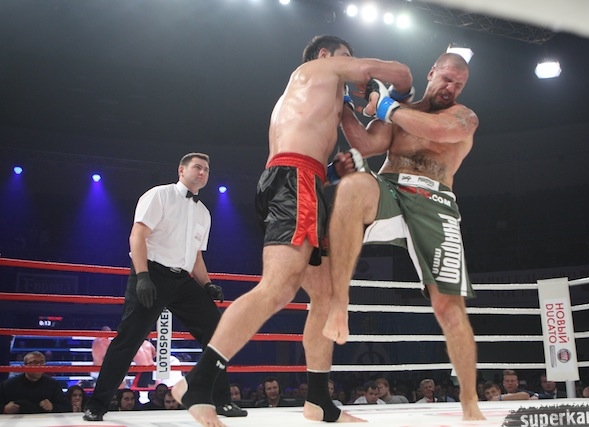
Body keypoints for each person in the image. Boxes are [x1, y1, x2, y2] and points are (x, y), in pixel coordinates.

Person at [172, 35, 412, 426]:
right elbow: (398, 72)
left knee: (326, 294)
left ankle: (318, 400)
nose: (350, 63)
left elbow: (366, 145)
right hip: (295, 178)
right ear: (326, 55)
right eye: (346, 57)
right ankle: (197, 384)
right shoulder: (317, 68)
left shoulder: (332, 97)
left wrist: (375, 108)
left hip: (308, 183)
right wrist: (388, 93)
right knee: (277, 288)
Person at [323, 51, 484, 421]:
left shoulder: (463, 117)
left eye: (459, 84)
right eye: (447, 78)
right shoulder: (401, 111)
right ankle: (339, 300)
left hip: (435, 201)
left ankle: (470, 401)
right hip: (391, 189)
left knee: (449, 308)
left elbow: (439, 131)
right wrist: (344, 104)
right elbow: (365, 145)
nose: (451, 88)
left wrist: (387, 107)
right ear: (432, 72)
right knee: (353, 186)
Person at [83, 153, 246, 421]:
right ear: (181, 170)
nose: (203, 172)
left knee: (218, 333)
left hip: (183, 280)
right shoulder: (159, 195)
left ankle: (221, 401)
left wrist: (207, 284)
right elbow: (138, 235)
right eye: (197, 167)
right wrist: (142, 276)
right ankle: (97, 405)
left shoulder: (203, 213)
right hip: (152, 273)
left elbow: (195, 256)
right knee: (129, 339)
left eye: (206, 169)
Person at [0, 351, 71, 414]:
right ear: (25, 366)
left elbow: (66, 407)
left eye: (42, 362)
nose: (39, 366)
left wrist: (52, 407)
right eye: (34, 362)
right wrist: (4, 409)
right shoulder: (8, 385)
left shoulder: (53, 384)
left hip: (45, 421)